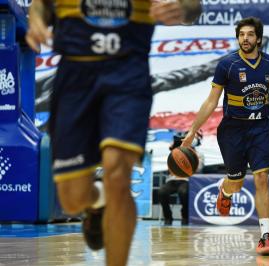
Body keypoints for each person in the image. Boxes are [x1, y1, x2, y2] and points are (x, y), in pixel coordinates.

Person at [26, 1, 201, 266]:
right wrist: (36, 22)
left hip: (127, 75)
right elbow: (41, 4)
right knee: (72, 200)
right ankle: (98, 202)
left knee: (117, 172)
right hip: (75, 77)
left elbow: (194, 7)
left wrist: (184, 8)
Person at [181, 17, 269, 256]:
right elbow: (212, 100)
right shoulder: (227, 64)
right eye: (242, 34)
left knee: (262, 178)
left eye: (250, 34)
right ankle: (226, 190)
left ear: (259, 39)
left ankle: (265, 237)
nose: (245, 38)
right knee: (237, 183)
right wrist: (192, 131)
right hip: (233, 130)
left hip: (260, 128)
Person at [159, 131, 203, 226]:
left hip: (187, 180)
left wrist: (190, 156)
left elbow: (198, 169)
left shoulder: (198, 154)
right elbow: (169, 168)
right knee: (162, 191)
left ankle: (185, 216)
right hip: (173, 179)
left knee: (183, 192)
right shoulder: (176, 151)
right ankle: (168, 217)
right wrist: (174, 150)